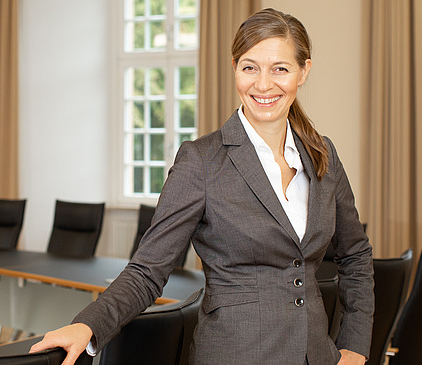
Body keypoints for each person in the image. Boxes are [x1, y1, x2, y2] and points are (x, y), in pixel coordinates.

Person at [30, 8, 374, 365]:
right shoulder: (202, 161)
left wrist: (355, 346)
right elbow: (148, 270)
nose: (263, 84)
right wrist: (88, 325)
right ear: (235, 68)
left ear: (304, 71)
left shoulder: (323, 154)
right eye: (250, 67)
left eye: (280, 69)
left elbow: (356, 255)